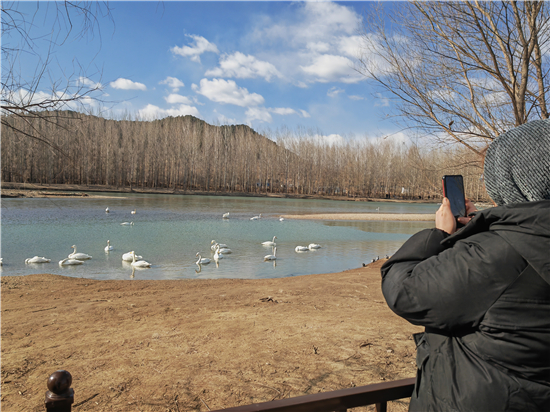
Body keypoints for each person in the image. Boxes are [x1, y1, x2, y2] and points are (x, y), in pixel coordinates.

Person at [381, 119, 550, 411]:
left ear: (512, 179)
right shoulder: (526, 240)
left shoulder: (499, 254)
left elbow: (406, 292)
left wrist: (438, 235)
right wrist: (478, 231)